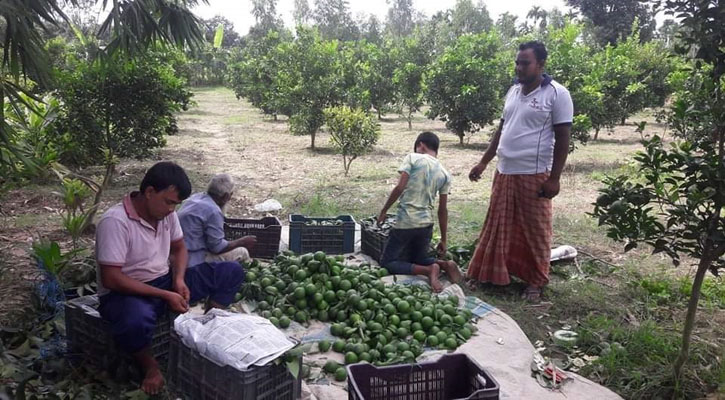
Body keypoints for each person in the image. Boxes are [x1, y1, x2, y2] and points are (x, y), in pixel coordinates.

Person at [95, 162, 245, 394]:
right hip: (124, 293)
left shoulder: (166, 215)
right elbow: (111, 279)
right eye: (169, 202)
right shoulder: (115, 222)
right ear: (149, 192)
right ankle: (150, 367)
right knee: (135, 320)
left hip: (164, 282)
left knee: (231, 271)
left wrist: (179, 280)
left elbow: (179, 249)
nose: (172, 210)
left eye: (176, 204)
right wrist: (165, 294)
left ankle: (206, 329)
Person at [467, 41, 573, 301]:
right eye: (517, 62)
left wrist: (555, 178)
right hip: (504, 172)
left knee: (535, 231)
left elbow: (563, 138)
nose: (519, 67)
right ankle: (494, 274)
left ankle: (535, 281)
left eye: (525, 63)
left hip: (534, 174)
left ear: (541, 65)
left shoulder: (557, 94)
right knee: (499, 227)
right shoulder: (513, 91)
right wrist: (484, 162)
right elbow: (502, 130)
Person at [377, 132, 463, 292]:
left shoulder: (413, 158)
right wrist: (444, 239)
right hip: (426, 225)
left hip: (406, 222)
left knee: (388, 262)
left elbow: (400, 187)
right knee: (420, 258)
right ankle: (443, 265)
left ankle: (428, 270)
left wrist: (384, 210)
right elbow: (442, 210)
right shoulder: (445, 173)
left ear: (421, 145)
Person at [177, 173, 257, 267]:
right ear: (226, 196)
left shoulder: (195, 198)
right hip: (191, 259)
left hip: (178, 252)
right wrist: (242, 242)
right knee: (242, 252)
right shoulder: (213, 211)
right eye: (231, 195)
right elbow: (217, 248)